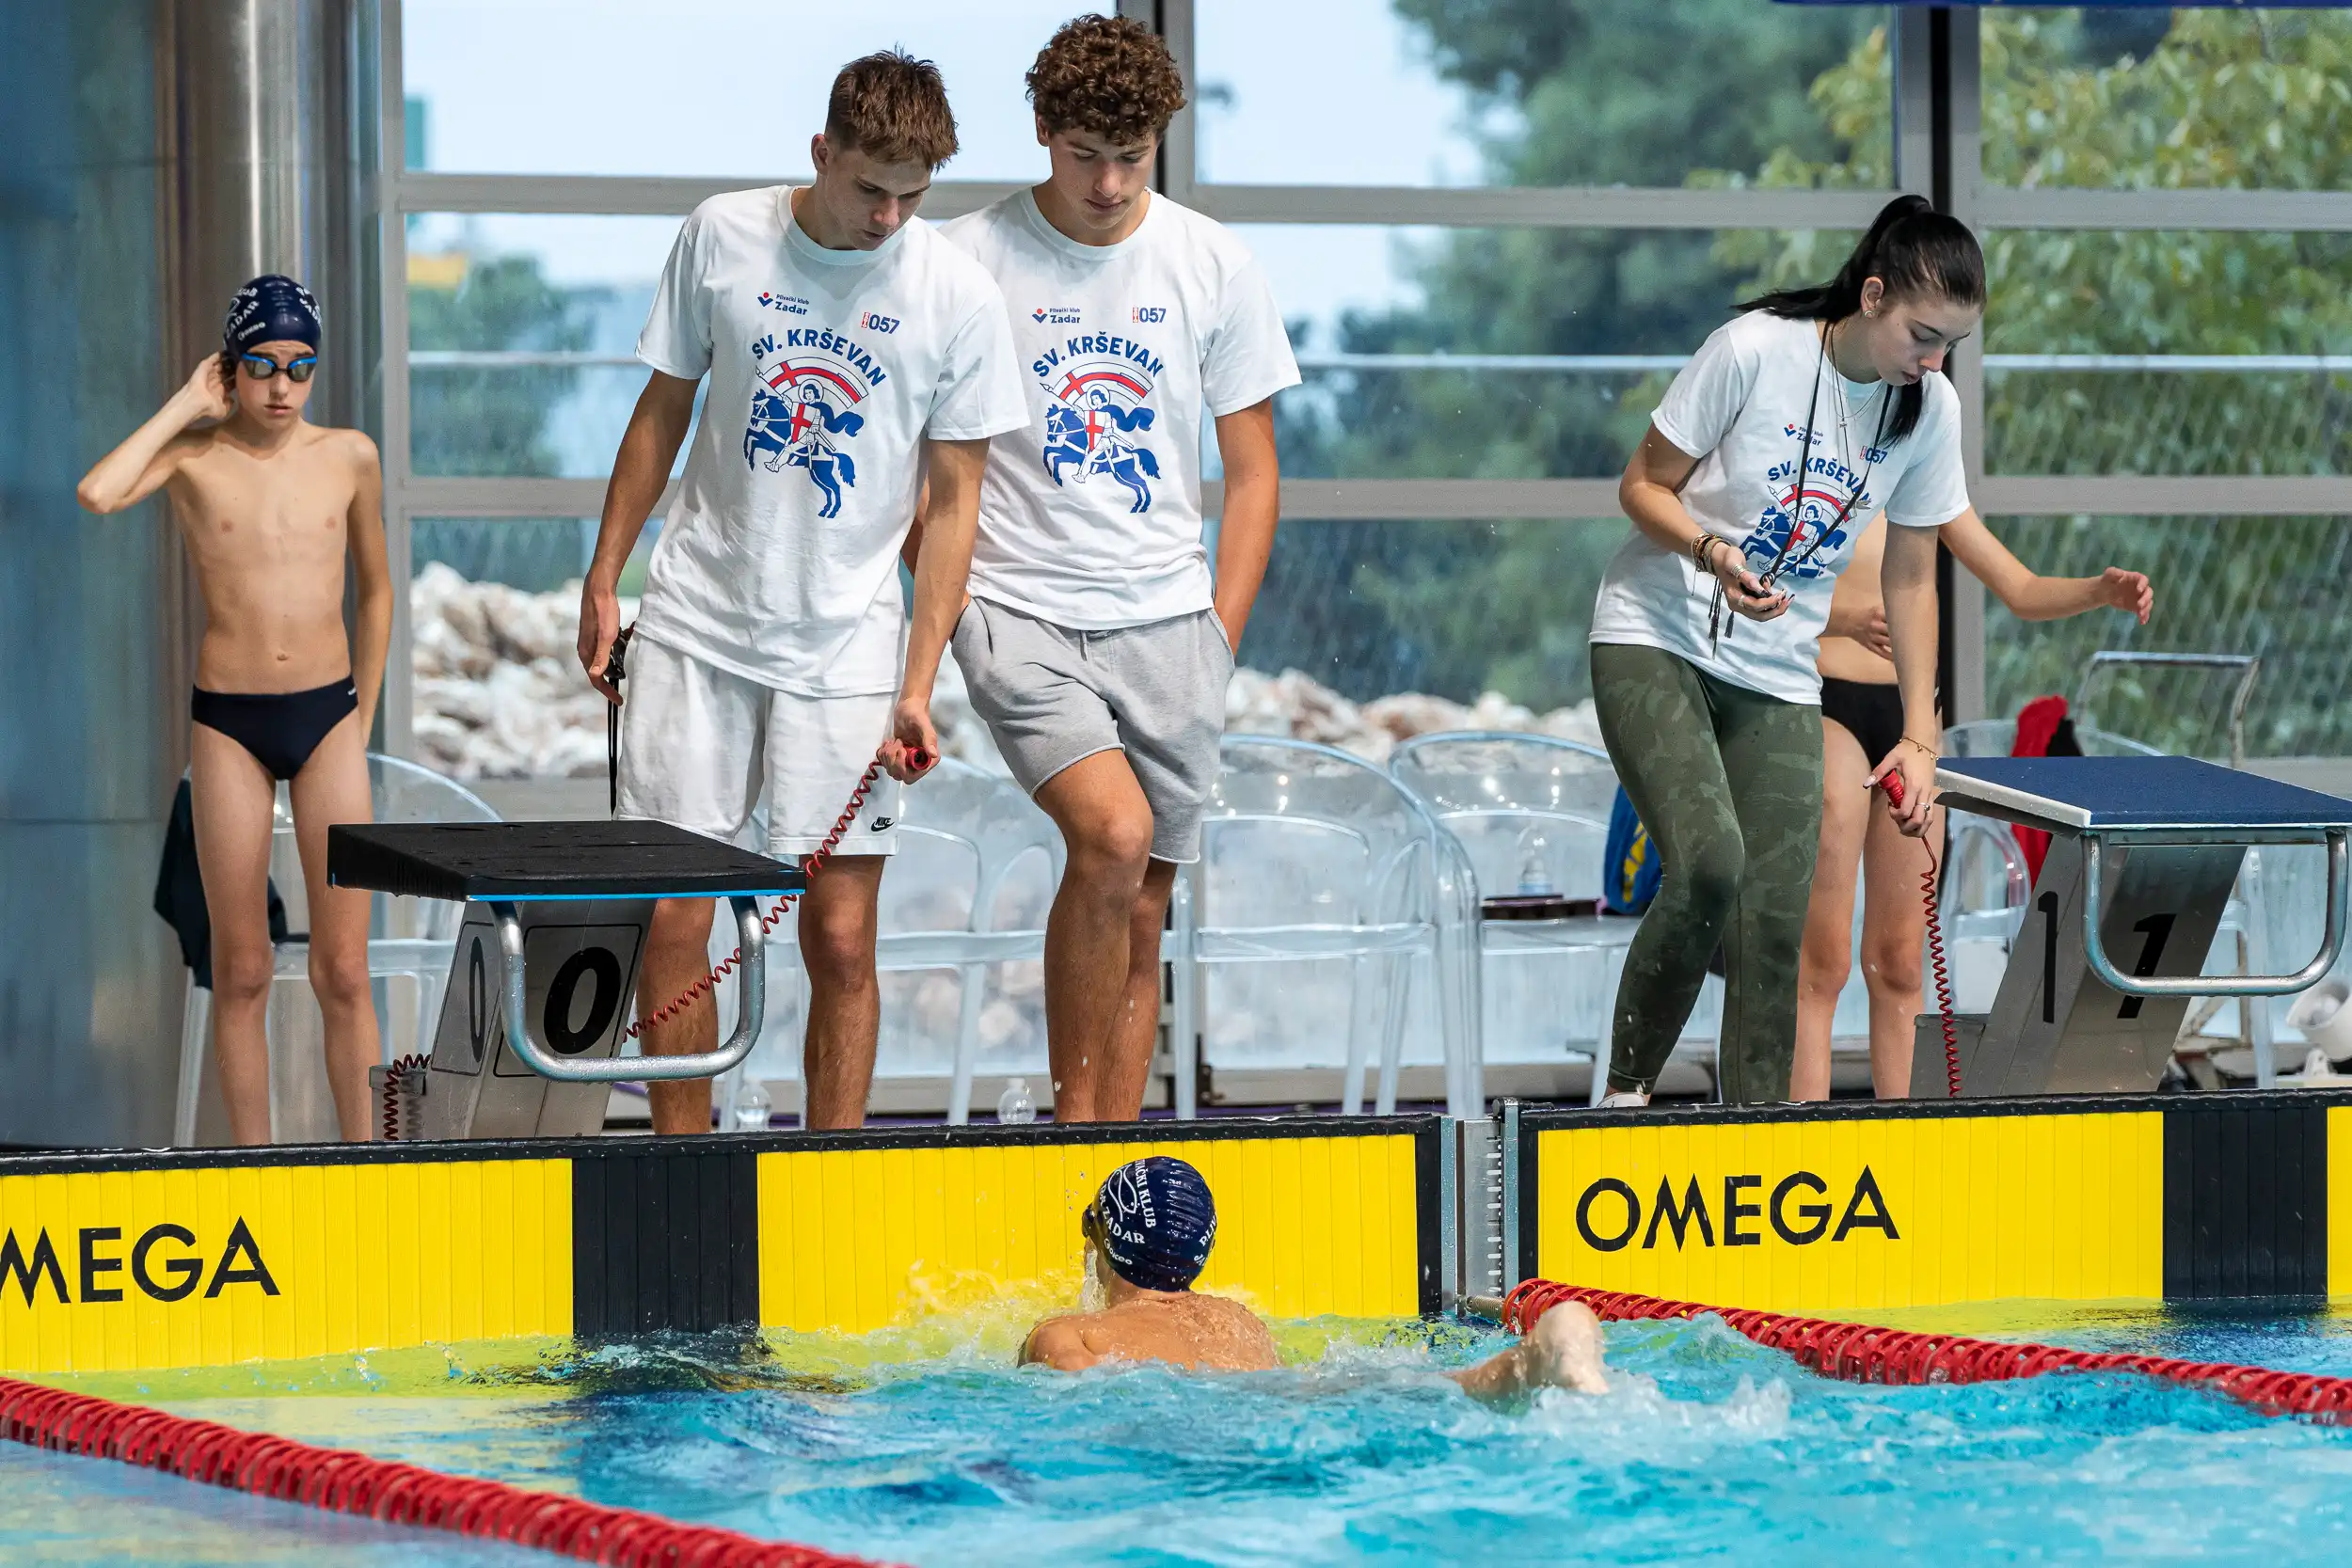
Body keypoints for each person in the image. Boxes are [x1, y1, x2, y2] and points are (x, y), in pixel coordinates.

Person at [575, 51, 1026, 1133]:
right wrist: (604, 575)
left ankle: (830, 1175)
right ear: (821, 153)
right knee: (677, 910)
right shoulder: (722, 235)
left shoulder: (955, 293)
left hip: (850, 648)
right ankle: (680, 1175)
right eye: (870, 187)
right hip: (695, 623)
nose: (888, 217)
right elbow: (660, 412)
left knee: (838, 936)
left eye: (913, 196)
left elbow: (955, 502)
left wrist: (920, 683)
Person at [938, 16, 1298, 1123]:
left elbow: (1252, 473)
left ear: (1159, 143)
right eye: (1085, 152)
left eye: (1130, 156)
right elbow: (926, 468)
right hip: (1019, 610)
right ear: (1041, 131)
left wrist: (1218, 635)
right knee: (1113, 832)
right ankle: (1071, 1128)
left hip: (1170, 622)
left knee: (1144, 907)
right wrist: (936, 615)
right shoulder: (963, 257)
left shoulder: (1211, 261)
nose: (1106, 182)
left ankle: (1112, 1167)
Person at [1590, 194, 1981, 1107]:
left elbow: (1913, 579)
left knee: (1776, 918)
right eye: (1921, 335)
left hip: (1772, 669)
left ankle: (1762, 1128)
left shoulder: (1925, 409)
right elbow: (1641, 486)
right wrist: (1712, 552)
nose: (1931, 360)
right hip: (1657, 633)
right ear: (1873, 294)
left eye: (1949, 346)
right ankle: (1622, 1093)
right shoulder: (1754, 350)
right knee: (1710, 862)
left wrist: (1921, 737)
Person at [78, 277, 389, 1144]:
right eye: (261, 367)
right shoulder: (192, 457)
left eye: (300, 368)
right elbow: (98, 493)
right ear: (230, 367)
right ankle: (256, 1172)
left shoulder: (349, 455)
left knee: (345, 970)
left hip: (328, 717)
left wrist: (360, 723)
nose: (282, 388)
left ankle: (369, 1167)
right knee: (242, 967)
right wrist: (184, 403)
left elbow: (377, 593)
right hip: (228, 725)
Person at [1793, 516, 2153, 1100]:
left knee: (1901, 961)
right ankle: (1800, 1143)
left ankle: (1906, 1149)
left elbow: (2020, 587)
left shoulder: (1922, 468)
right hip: (1821, 695)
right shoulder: (1814, 460)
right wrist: (1844, 620)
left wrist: (2099, 591)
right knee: (1822, 962)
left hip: (1911, 718)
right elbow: (1752, 588)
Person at [1021, 1156, 1610, 1402]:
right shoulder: (1237, 1321)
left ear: (1109, 1240)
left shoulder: (1067, 1337)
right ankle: (1531, 1358)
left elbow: (1091, 1421)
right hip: (1295, 1400)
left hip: (1210, 1429)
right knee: (1430, 1386)